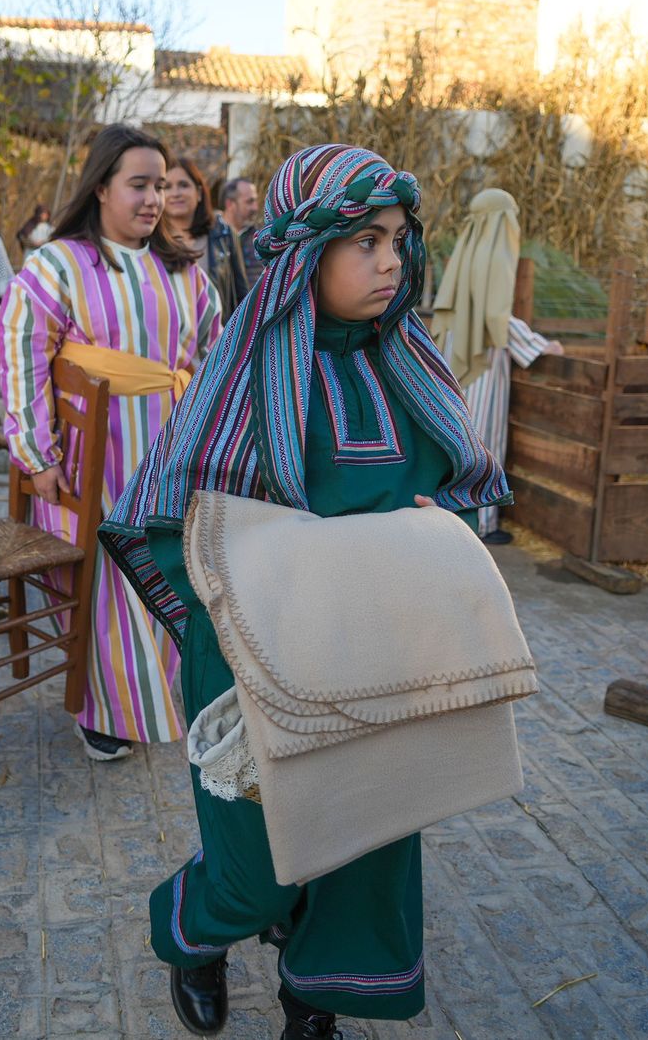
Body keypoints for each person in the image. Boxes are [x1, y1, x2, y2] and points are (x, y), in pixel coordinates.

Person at [100, 145, 511, 1038]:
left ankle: (312, 997)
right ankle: (193, 936)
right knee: (257, 866)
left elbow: (456, 509)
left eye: (399, 239)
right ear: (302, 256)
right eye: (365, 240)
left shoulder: (412, 370)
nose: (392, 261)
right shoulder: (239, 380)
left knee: (367, 845)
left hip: (378, 666)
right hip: (257, 668)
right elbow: (177, 529)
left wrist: (433, 526)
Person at [0, 124, 222, 762]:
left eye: (160, 185)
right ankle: (105, 711)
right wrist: (37, 456)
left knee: (172, 577)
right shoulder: (56, 265)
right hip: (92, 460)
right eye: (139, 185)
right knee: (104, 586)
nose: (154, 198)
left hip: (173, 456)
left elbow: (214, 354)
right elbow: (21, 355)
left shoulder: (184, 272)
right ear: (101, 188)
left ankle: (177, 697)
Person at [428, 188, 563, 544]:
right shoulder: (496, 245)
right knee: (484, 433)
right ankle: (482, 522)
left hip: (458, 348)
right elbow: (495, 314)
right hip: (484, 357)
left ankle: (453, 512)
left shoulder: (468, 248)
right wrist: (540, 345)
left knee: (457, 433)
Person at [164, 157, 246, 342]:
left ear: (199, 193)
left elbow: (241, 296)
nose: (175, 193)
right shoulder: (149, 240)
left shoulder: (223, 234)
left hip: (217, 347)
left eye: (183, 185)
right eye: (167, 186)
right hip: (169, 348)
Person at [222, 176, 264, 288]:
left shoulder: (262, 237)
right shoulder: (214, 237)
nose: (255, 208)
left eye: (255, 201)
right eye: (249, 202)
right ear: (230, 204)